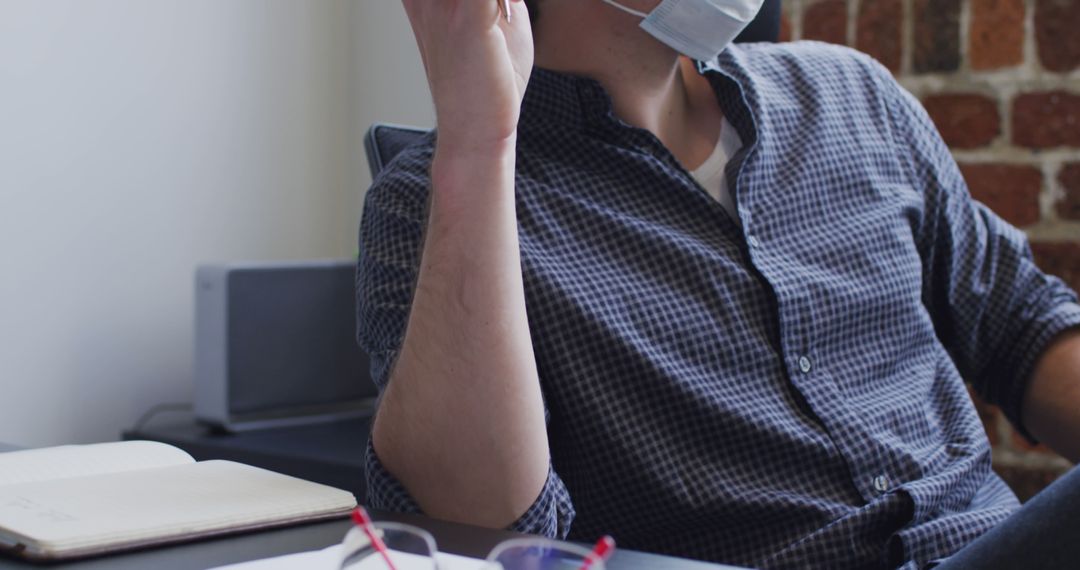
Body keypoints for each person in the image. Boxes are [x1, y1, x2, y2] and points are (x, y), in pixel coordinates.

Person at [355, 1, 1080, 568]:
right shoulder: (442, 200)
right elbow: (476, 531)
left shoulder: (852, 95)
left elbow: (1022, 323)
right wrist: (479, 141)